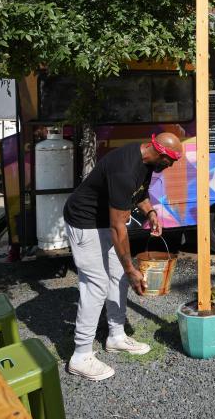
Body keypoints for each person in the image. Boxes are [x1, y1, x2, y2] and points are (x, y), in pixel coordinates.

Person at [63, 132, 182, 381]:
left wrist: (150, 213)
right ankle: (80, 355)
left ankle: (116, 336)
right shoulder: (124, 169)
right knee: (96, 284)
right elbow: (119, 227)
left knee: (118, 277)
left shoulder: (146, 162)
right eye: (170, 161)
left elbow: (139, 194)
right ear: (160, 153)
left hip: (105, 222)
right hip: (85, 222)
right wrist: (131, 267)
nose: (170, 166)